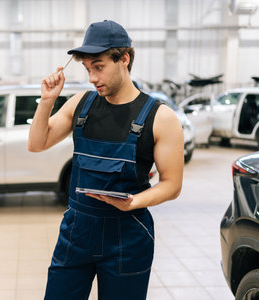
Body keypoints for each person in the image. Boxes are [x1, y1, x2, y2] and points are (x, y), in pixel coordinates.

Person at [28, 20, 184, 300]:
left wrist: (134, 202)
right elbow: (37, 144)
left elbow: (172, 185)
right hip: (76, 231)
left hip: (127, 236)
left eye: (98, 67)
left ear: (124, 58)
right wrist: (47, 100)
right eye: (88, 69)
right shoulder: (81, 104)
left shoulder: (159, 117)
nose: (92, 77)